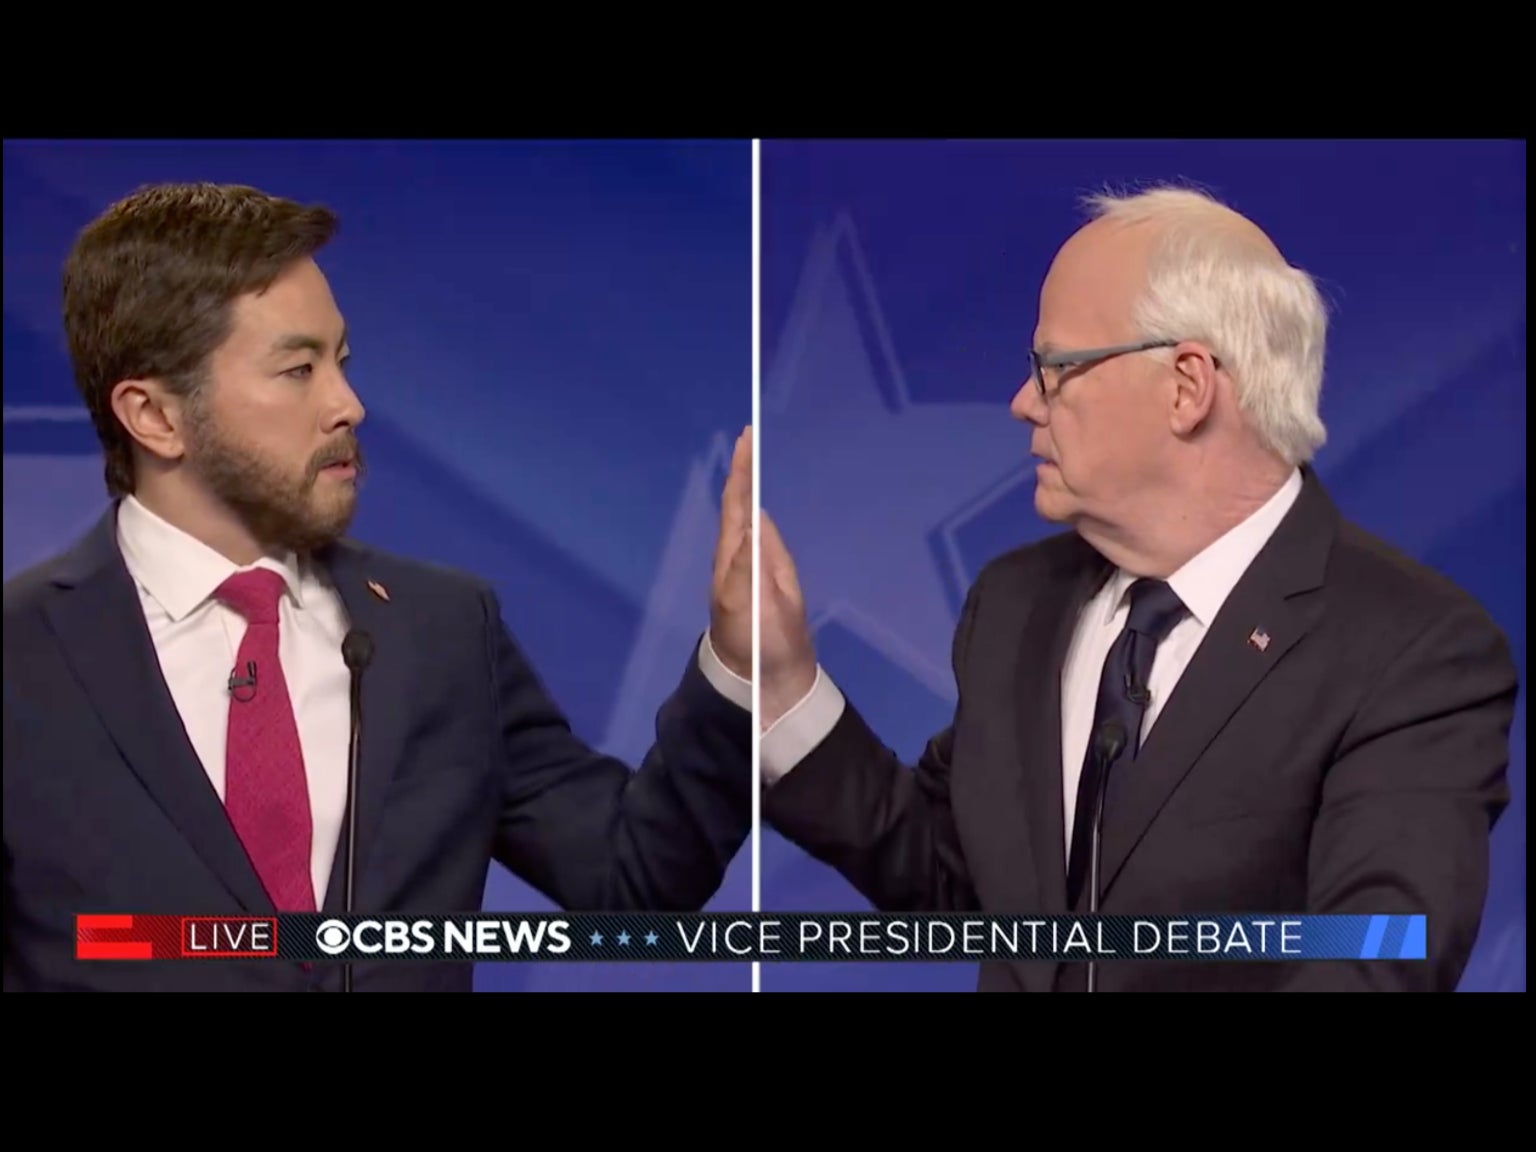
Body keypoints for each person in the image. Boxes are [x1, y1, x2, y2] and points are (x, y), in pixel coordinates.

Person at [757, 185, 1518, 993]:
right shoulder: (1016, 606)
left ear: (1187, 386)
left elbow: (1372, 962)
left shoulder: (1413, 648)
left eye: (1055, 368)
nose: (1023, 404)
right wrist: (783, 693)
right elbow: (960, 880)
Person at [3, 182, 756, 993]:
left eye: (342, 361)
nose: (349, 405)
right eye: (298, 369)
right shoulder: (23, 658)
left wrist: (739, 667)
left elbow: (633, 885)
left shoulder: (442, 629)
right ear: (154, 417)